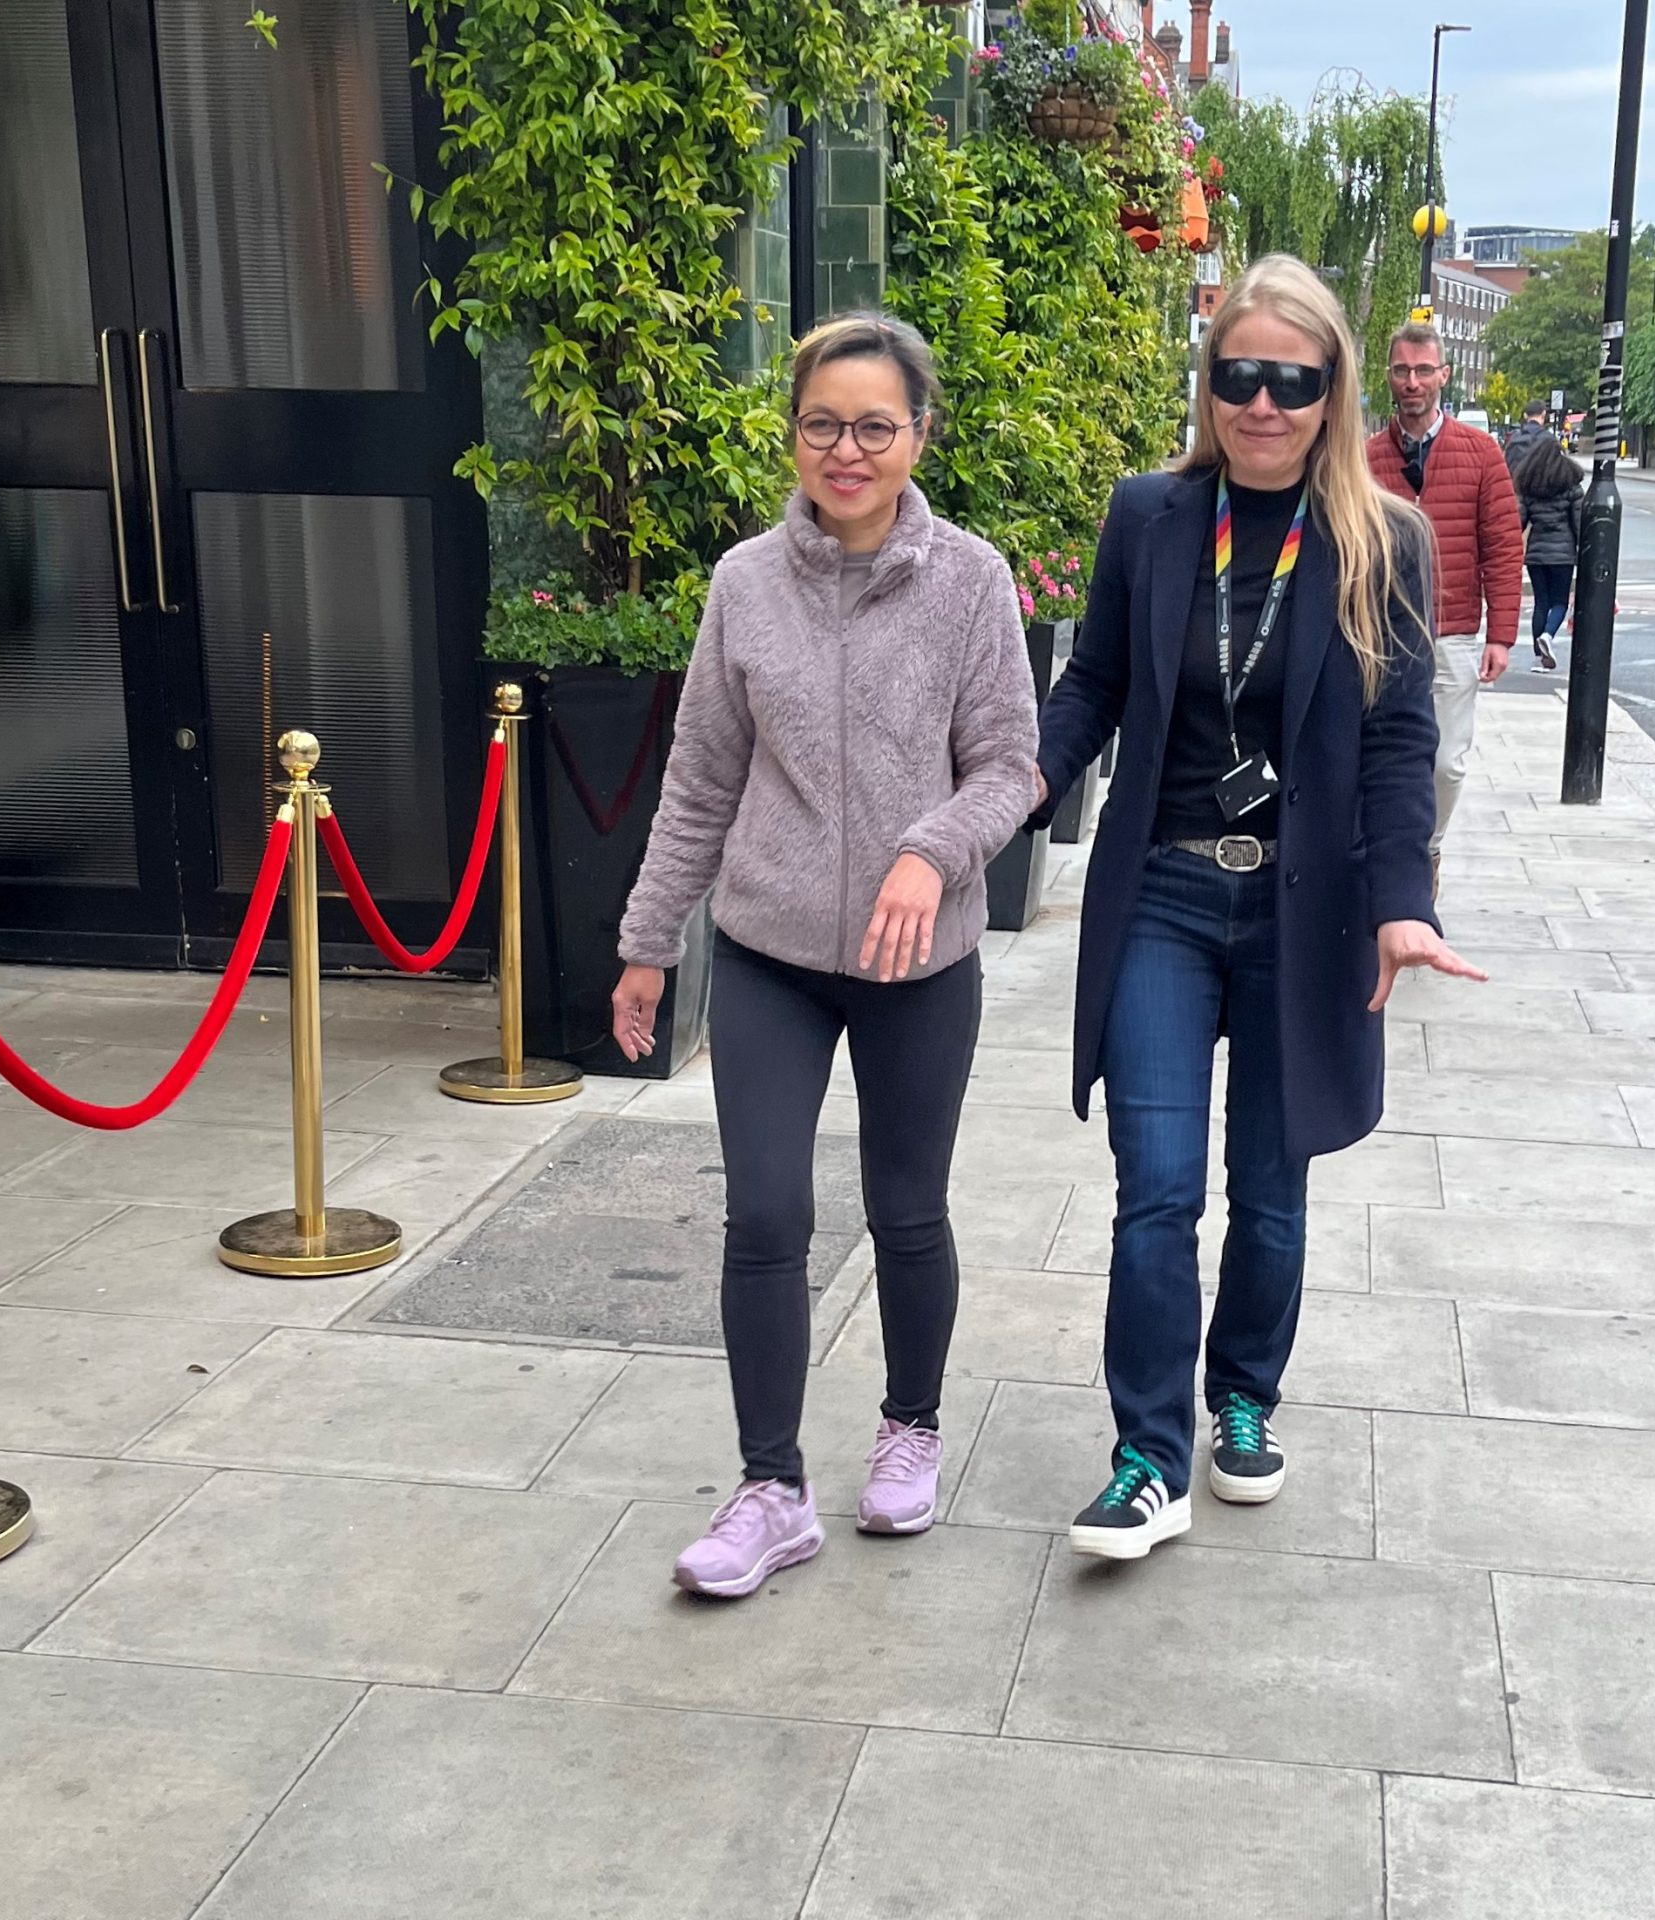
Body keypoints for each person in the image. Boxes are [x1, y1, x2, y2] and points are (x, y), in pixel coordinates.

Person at [1031, 256, 1487, 1560]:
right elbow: (1094, 686)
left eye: (1295, 381)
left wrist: (1405, 903)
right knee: (1157, 1190)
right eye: (1241, 376)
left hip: (1306, 911)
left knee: (1270, 1195)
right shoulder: (1150, 516)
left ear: (1334, 390)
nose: (1265, 403)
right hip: (1166, 895)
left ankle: (1242, 1400)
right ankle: (1146, 1458)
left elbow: (1401, 746)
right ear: (1211, 381)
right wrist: (1009, 790)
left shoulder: (1381, 541)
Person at [613, 315, 1038, 1598]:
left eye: (874, 425)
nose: (845, 450)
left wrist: (929, 851)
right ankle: (770, 1488)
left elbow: (1012, 765)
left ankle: (910, 1426)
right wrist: (646, 945)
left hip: (920, 960)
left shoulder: (970, 581)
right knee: (768, 1215)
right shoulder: (743, 584)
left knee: (906, 1210)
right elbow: (699, 782)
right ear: (792, 432)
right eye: (820, 424)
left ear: (918, 435)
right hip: (770, 952)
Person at [1366, 321, 1523, 897]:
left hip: (1452, 632)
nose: (1413, 382)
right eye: (1403, 371)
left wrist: (1501, 634)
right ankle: (1389, 859)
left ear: (1444, 376)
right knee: (1376, 756)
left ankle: (1425, 848)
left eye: (1423, 370)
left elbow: (1505, 545)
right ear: (1390, 376)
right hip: (1377, 634)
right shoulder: (1364, 459)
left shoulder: (1481, 454)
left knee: (1446, 763)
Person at [1515, 441, 1585, 674]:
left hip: (1536, 554)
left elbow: (1519, 522)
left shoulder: (1530, 489)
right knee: (1559, 602)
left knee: (1541, 602)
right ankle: (1548, 635)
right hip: (1563, 555)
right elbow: (1579, 524)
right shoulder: (1572, 488)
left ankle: (1539, 651)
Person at [1500, 398, 1552, 474]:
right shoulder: (1549, 439)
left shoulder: (1514, 438)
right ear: (1543, 414)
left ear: (1525, 415)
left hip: (1517, 483)